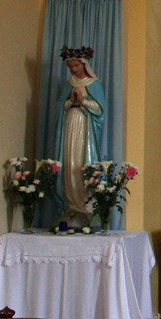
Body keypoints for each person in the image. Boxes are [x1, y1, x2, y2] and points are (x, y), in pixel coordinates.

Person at [53, 46, 105, 217]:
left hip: (85, 125)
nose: (73, 69)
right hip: (70, 124)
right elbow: (61, 106)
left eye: (76, 65)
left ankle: (86, 205)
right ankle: (71, 204)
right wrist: (71, 102)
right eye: (71, 67)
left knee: (83, 160)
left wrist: (84, 102)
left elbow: (100, 110)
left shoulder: (94, 84)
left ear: (84, 64)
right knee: (70, 161)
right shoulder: (69, 84)